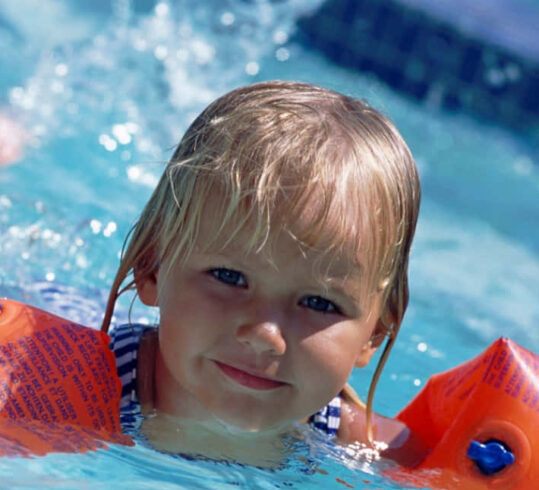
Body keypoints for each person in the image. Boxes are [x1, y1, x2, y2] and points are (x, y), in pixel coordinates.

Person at [100, 81, 425, 467]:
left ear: (374, 334)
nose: (264, 335)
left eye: (320, 302)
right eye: (229, 277)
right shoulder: (83, 384)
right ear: (152, 267)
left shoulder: (360, 443)